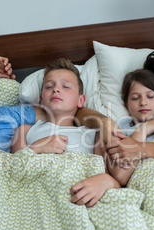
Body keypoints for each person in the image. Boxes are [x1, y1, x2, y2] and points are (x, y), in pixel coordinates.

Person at [11, 58, 121, 207]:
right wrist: (37, 148)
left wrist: (106, 181)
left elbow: (113, 180)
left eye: (66, 86)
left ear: (81, 100)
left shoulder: (92, 134)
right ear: (42, 100)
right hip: (37, 201)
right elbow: (12, 175)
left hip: (77, 199)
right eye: (49, 86)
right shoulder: (26, 130)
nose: (56, 89)